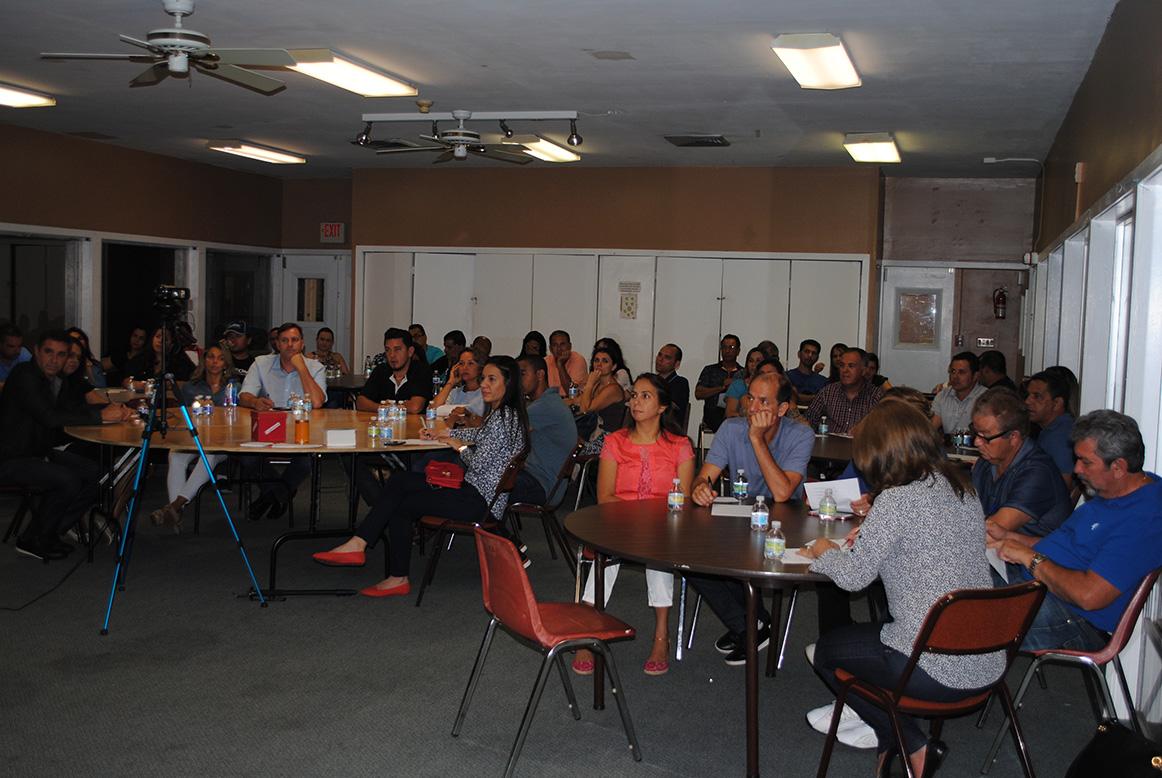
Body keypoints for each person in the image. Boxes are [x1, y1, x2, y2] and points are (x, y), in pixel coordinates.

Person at [801, 402, 1000, 778]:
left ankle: (909, 742)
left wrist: (824, 552)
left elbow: (854, 577)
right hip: (986, 655)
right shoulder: (963, 490)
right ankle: (895, 744)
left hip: (933, 664)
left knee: (826, 652)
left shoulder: (896, 501)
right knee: (874, 634)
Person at [312, 356, 529, 598]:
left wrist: (458, 447)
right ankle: (360, 543)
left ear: (508, 383)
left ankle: (393, 573)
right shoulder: (505, 415)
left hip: (479, 501)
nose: (484, 384)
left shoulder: (503, 419)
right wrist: (445, 435)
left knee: (402, 505)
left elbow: (478, 465)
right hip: (476, 493)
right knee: (400, 480)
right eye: (484, 378)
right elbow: (480, 435)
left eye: (491, 379)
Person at [990, 410, 1162, 652]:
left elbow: (1088, 596)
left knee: (960, 616)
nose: (1077, 469)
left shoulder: (1145, 519)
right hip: (1041, 587)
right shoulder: (1114, 491)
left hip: (1076, 618)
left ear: (1118, 467)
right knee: (953, 580)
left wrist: (1029, 557)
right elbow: (1068, 548)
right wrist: (1010, 538)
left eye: (1086, 462)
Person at [688, 372, 815, 666]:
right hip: (739, 519)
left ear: (782, 409)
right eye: (750, 398)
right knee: (690, 558)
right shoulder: (731, 428)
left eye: (763, 401)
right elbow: (704, 476)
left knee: (740, 557)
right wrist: (700, 488)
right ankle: (751, 625)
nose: (752, 408)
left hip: (784, 526)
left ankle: (749, 624)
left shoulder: (801, 435)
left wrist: (757, 439)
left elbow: (782, 493)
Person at [574, 373, 695, 676]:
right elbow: (605, 497)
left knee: (658, 550)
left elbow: (683, 501)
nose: (635, 402)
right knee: (606, 545)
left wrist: (651, 521)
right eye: (634, 395)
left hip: (662, 526)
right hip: (619, 521)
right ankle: (587, 629)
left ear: (662, 407)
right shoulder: (615, 441)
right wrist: (637, 519)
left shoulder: (680, 446)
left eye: (645, 396)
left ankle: (661, 636)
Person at [0, 331, 134, 560]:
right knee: (68, 480)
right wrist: (101, 416)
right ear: (36, 351)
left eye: (61, 354)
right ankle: (32, 539)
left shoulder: (52, 380)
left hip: (37, 452)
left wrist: (106, 412)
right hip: (11, 458)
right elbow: (50, 417)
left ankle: (50, 531)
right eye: (49, 352)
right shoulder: (25, 376)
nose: (54, 360)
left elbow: (68, 411)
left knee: (98, 473)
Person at [238, 322, 327, 521]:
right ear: (277, 344)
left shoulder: (316, 368)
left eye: (295, 340)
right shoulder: (261, 363)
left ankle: (269, 497)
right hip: (268, 429)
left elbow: (317, 402)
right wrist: (255, 402)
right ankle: (281, 493)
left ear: (302, 343)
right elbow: (244, 395)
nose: (290, 345)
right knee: (247, 458)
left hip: (301, 431)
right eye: (284, 340)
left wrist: (301, 368)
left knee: (306, 462)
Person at [151, 345, 239, 532]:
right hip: (194, 438)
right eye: (211, 357)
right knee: (175, 455)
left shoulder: (233, 387)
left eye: (220, 358)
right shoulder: (191, 387)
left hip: (223, 442)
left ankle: (174, 507)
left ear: (226, 363)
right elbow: (181, 416)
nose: (215, 362)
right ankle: (175, 512)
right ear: (204, 360)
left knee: (209, 457)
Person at [971, 387, 1071, 542]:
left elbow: (990, 534)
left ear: (1013, 437)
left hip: (1033, 555)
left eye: (985, 436)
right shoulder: (986, 462)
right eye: (976, 433)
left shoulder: (1038, 473)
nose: (977, 442)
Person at [513, 354, 579, 510]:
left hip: (542, 484)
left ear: (540, 374)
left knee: (486, 484)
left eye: (522, 374)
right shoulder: (549, 401)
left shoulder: (545, 406)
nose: (518, 381)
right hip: (536, 477)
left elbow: (503, 432)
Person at [805, 347, 884, 434]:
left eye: (851, 366)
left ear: (863, 370)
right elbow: (808, 422)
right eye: (842, 365)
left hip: (861, 442)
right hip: (831, 442)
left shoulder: (876, 396)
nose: (845, 370)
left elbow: (884, 431)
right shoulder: (827, 393)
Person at [356, 327, 432, 415]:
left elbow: (415, 407)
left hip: (413, 423)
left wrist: (388, 407)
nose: (392, 355)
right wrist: (382, 408)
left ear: (410, 352)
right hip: (383, 422)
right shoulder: (381, 370)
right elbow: (360, 402)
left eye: (397, 349)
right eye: (387, 350)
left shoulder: (421, 370)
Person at [1025, 368, 1075, 486]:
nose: (1027, 401)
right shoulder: (1052, 429)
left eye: (1037, 396)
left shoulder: (1061, 436)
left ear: (1057, 403)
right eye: (1028, 395)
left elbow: (1063, 486)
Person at [568, 346, 627, 435]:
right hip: (591, 430)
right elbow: (577, 402)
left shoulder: (613, 389)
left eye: (605, 361)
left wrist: (589, 384)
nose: (599, 364)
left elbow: (585, 409)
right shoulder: (597, 384)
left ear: (613, 367)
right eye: (596, 360)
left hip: (606, 436)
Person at [930, 351, 987, 435]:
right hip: (949, 443)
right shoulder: (943, 395)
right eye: (953, 371)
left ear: (975, 376)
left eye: (961, 372)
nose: (955, 377)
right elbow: (931, 429)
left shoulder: (986, 398)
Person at [695, 333, 742, 432]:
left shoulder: (743, 373)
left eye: (731, 347)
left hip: (736, 412)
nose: (727, 351)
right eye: (724, 347)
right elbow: (698, 393)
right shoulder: (710, 370)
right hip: (713, 413)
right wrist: (722, 387)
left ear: (738, 351)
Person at [430, 346, 486, 423]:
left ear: (480, 368)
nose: (465, 367)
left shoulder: (485, 393)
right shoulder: (454, 392)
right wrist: (451, 382)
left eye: (470, 363)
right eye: (461, 363)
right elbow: (431, 410)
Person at [126, 325, 195, 385]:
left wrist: (172, 384)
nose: (160, 341)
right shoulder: (141, 359)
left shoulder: (181, 362)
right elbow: (125, 380)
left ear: (172, 344)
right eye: (157, 336)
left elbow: (192, 382)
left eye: (165, 339)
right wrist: (138, 385)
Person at [653, 342, 689, 425]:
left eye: (667, 357)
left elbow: (673, 410)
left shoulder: (680, 383)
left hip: (668, 426)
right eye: (659, 355)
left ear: (676, 364)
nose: (660, 359)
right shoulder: (651, 381)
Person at [724, 347, 765, 419]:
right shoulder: (738, 385)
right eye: (751, 361)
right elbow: (729, 413)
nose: (754, 364)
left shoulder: (771, 386)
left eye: (758, 361)